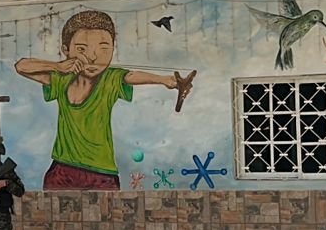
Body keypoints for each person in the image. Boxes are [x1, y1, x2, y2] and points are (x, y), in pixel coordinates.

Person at [14, 10, 196, 190]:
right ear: (66, 50)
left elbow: (132, 76)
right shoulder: (60, 79)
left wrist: (165, 80)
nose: (93, 57)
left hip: (101, 173)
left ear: (113, 49)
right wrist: (57, 66)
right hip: (62, 169)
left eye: (104, 49)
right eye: (81, 49)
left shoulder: (110, 79)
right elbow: (21, 66)